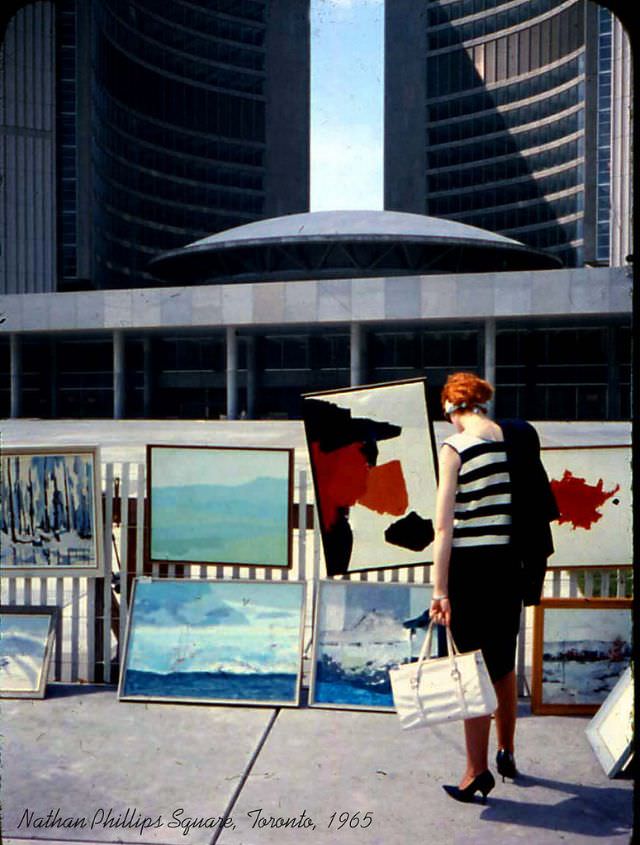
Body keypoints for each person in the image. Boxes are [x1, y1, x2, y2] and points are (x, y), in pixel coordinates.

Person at [430, 372, 557, 804]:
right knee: (502, 663)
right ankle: (506, 751)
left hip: (469, 571)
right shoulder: (513, 439)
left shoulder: (454, 448)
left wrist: (439, 591)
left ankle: (474, 771)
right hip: (509, 566)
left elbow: (444, 527)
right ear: (481, 402)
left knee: (470, 670)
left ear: (450, 408)